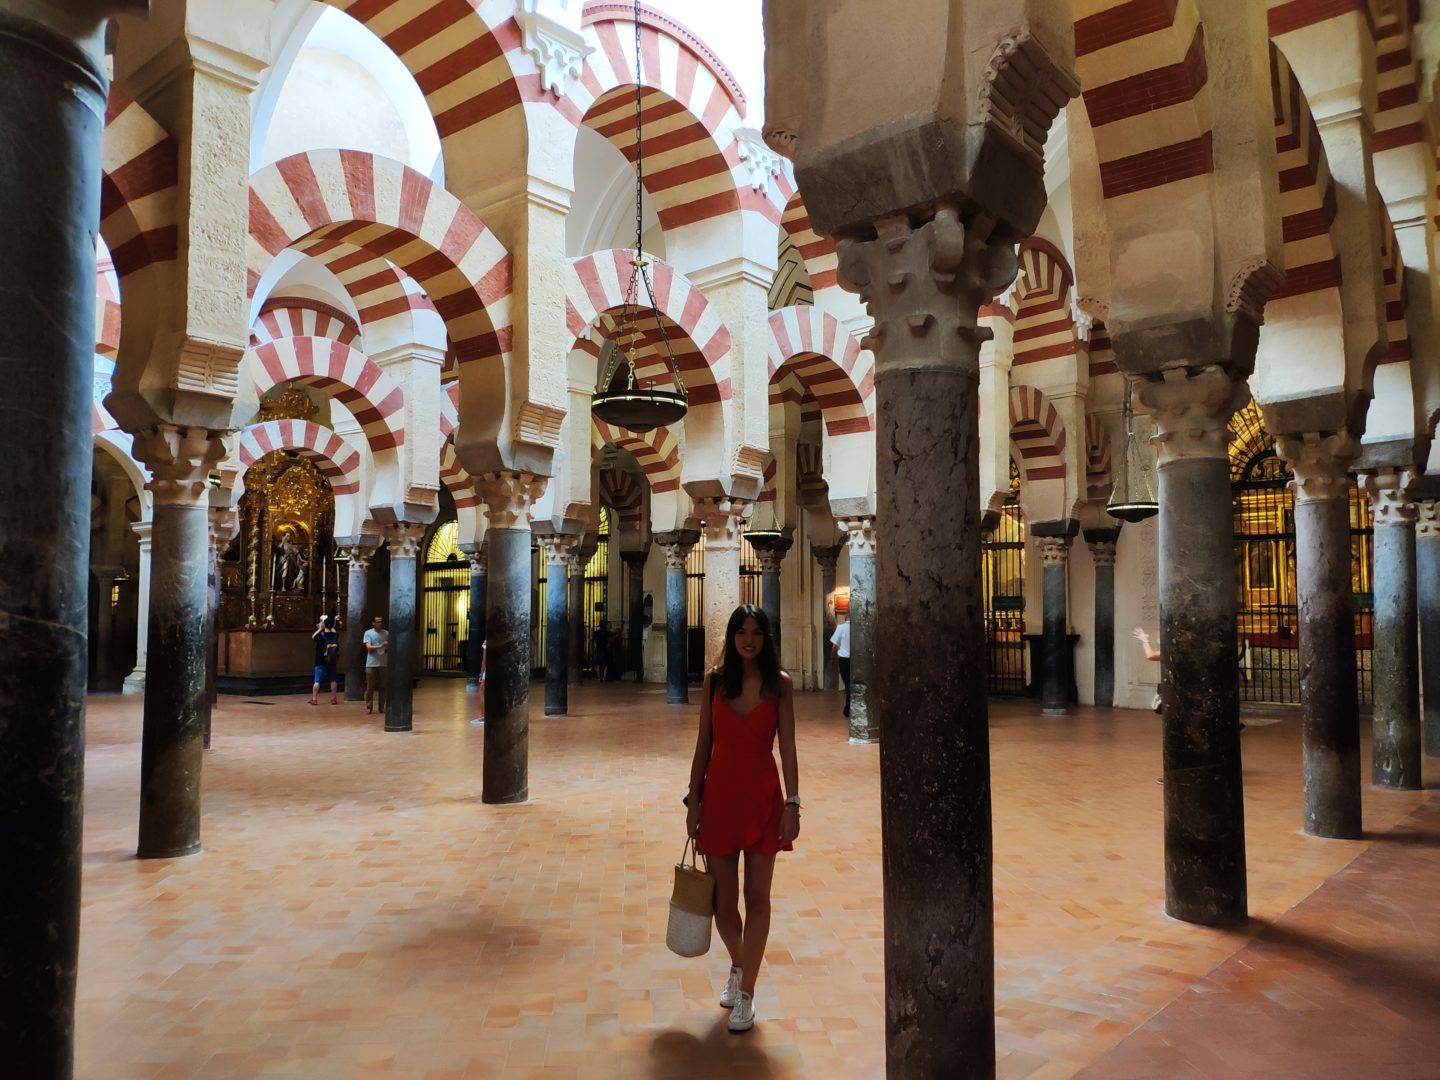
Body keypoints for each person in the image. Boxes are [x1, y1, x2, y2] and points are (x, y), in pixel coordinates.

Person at [686, 604, 800, 1034]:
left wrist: (793, 802)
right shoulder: (715, 681)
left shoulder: (780, 685)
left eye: (756, 632)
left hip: (762, 798)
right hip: (719, 798)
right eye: (741, 632)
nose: (748, 640)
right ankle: (740, 962)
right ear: (731, 637)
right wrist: (693, 801)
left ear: (766, 639)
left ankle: (747, 992)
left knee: (758, 898)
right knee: (721, 903)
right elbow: (703, 746)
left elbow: (787, 747)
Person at [310, 615, 340, 706]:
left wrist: (320, 628)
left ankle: (314, 699)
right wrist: (331, 626)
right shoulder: (335, 635)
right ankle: (333, 698)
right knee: (333, 679)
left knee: (317, 680)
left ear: (324, 624)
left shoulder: (320, 636)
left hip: (320, 661)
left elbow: (313, 637)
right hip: (332, 660)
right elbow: (334, 631)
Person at [363, 615, 389, 715]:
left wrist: (386, 647)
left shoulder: (386, 633)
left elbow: (389, 647)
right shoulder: (368, 633)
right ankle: (369, 707)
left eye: (381, 621)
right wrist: (381, 645)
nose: (379, 623)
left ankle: (382, 707)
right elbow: (368, 647)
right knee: (370, 686)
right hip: (371, 663)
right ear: (373, 623)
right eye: (377, 622)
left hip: (383, 663)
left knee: (383, 686)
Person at [830, 609, 851, 717]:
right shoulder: (858, 628)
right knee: (853, 685)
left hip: (844, 661)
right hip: (856, 660)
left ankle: (848, 709)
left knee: (847, 684)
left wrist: (833, 658)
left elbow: (834, 646)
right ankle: (849, 708)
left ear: (846, 616)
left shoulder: (841, 627)